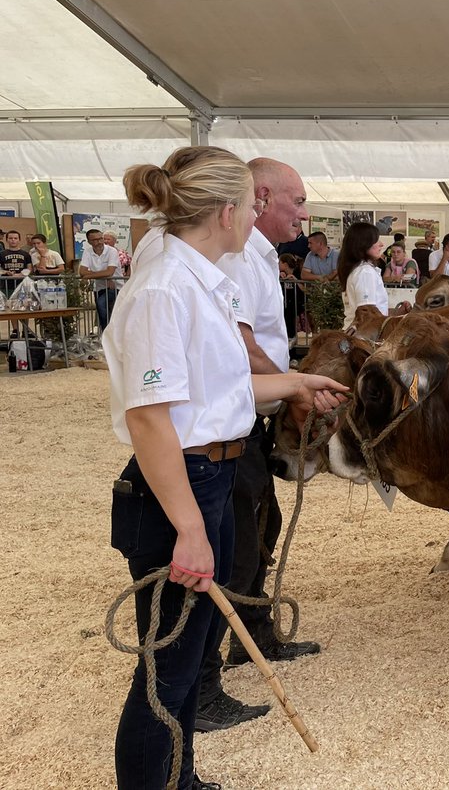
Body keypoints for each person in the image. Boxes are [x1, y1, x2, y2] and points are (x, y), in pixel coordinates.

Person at [105, 146, 345, 790]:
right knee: (167, 670)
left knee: (186, 656)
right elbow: (151, 419)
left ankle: (181, 780)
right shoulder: (164, 289)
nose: (255, 213)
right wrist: (188, 528)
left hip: (207, 475)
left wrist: (296, 382)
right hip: (178, 486)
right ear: (225, 210)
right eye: (248, 203)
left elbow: (221, 389)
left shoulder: (202, 279)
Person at [191, 157, 324, 734]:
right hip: (229, 420)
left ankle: (254, 636)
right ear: (261, 197)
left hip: (247, 415)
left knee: (259, 527)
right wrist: (294, 387)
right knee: (238, 540)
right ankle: (201, 685)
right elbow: (241, 346)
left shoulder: (260, 255)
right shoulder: (239, 257)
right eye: (296, 201)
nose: (304, 212)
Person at [339, 222, 390, 330]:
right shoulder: (365, 272)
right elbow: (367, 315)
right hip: (364, 336)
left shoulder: (360, 269)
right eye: (376, 241)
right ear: (363, 244)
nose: (381, 244)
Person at [79, 228, 122, 331]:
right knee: (101, 310)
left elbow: (110, 272)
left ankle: (107, 332)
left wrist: (88, 275)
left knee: (101, 304)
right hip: (99, 287)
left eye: (100, 239)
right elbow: (82, 271)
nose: (99, 242)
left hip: (115, 286)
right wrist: (105, 276)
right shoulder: (88, 251)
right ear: (89, 242)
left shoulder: (112, 251)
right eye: (94, 240)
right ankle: (106, 333)